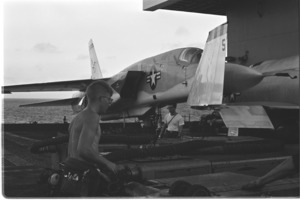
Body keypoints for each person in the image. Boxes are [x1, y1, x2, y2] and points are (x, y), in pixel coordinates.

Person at [61, 80, 124, 196]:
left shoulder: (76, 118)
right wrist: (109, 164)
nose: (110, 103)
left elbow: (75, 150)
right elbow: (83, 150)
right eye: (109, 99)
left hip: (70, 172)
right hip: (83, 175)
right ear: (101, 98)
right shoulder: (92, 117)